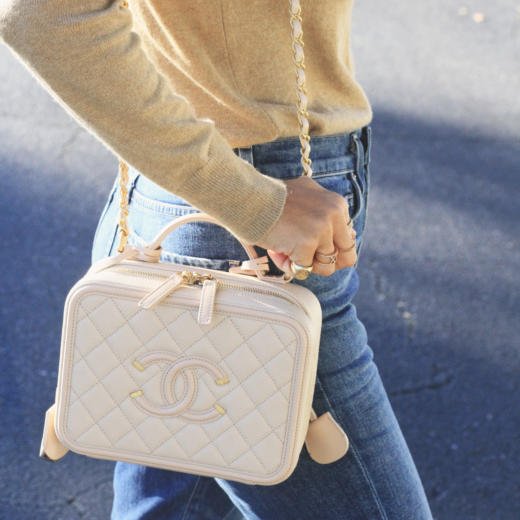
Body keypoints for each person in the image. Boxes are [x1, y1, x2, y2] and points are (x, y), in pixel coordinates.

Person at [0, 1, 434, 518]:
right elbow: (39, 15)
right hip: (245, 228)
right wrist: (255, 205)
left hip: (215, 199)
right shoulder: (253, 205)